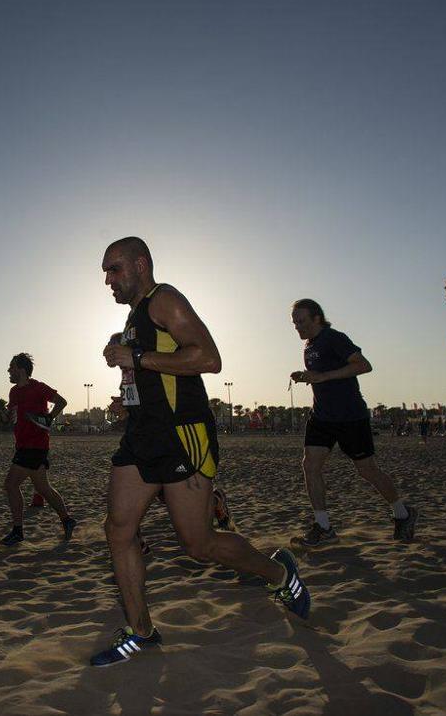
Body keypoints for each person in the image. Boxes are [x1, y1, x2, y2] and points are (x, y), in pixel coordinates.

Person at [90, 237, 309, 668]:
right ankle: (141, 631)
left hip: (180, 434)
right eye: (105, 273)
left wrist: (135, 356)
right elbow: (153, 373)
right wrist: (128, 393)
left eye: (114, 269)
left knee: (198, 543)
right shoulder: (135, 316)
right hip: (141, 435)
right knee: (118, 529)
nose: (108, 280)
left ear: (140, 264)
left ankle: (279, 573)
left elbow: (209, 358)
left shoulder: (164, 299)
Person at [289, 299, 418, 545]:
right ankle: (323, 526)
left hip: (350, 416)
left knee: (367, 470)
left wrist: (323, 376)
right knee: (310, 465)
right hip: (321, 416)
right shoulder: (309, 346)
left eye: (301, 321)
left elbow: (363, 365)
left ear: (317, 318)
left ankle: (403, 513)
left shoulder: (335, 337)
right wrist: (306, 376)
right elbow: (322, 377)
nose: (297, 327)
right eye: (294, 322)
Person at [0, 353, 75, 547]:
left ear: (21, 369)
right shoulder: (13, 392)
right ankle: (67, 520)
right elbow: (11, 417)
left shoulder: (38, 387)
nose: (8, 371)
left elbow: (62, 401)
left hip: (35, 445)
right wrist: (2, 414)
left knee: (11, 485)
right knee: (43, 488)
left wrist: (50, 418)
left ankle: (18, 531)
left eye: (11, 367)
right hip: (22, 444)